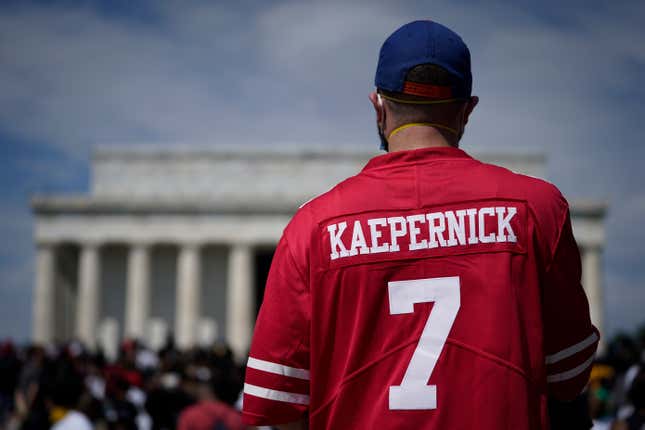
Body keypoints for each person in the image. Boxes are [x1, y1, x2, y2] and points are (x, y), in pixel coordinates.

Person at [242, 20, 599, 429]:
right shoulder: (538, 208)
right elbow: (569, 375)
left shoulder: (313, 226)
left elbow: (278, 403)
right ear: (468, 109)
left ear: (378, 105)